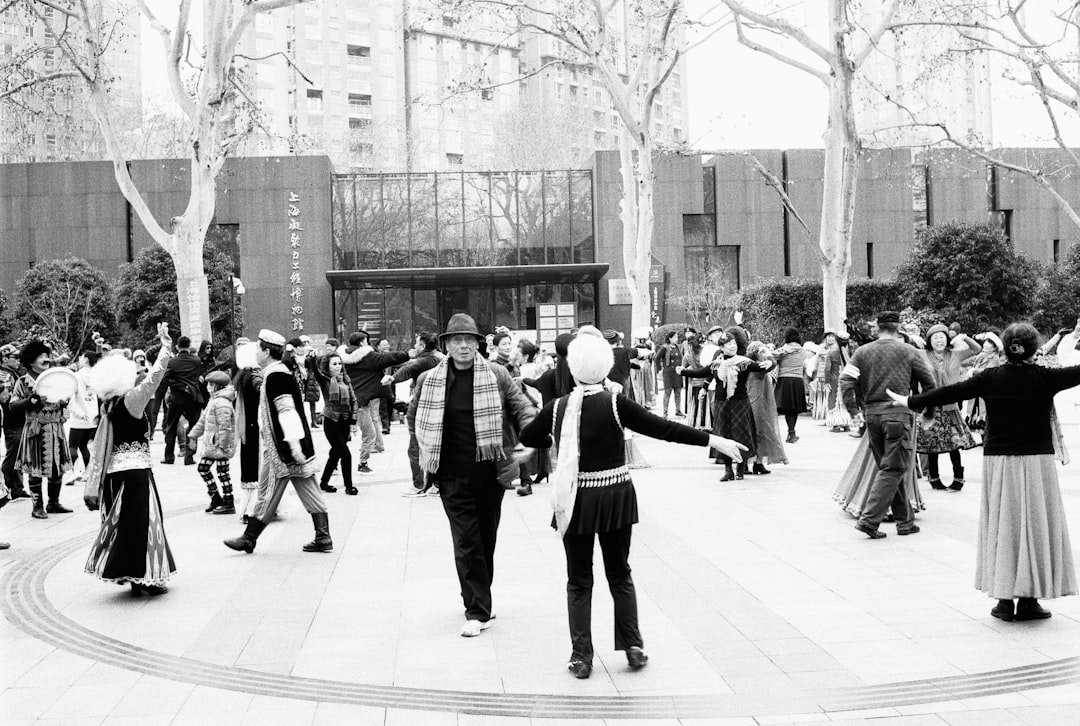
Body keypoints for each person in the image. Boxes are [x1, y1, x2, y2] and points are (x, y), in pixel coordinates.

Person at [518, 331, 747, 679]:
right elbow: (665, 429)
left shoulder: (558, 408)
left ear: (572, 368)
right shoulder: (615, 403)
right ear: (606, 367)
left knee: (579, 581)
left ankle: (581, 657)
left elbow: (527, 436)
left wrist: (552, 430)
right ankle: (632, 645)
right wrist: (713, 439)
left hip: (575, 500)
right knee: (619, 574)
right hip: (615, 497)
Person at [890, 322, 1078, 621]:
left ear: (1005, 347)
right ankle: (1029, 600)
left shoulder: (990, 377)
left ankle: (1004, 599)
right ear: (1033, 348)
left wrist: (911, 401)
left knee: (1003, 525)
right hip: (1037, 460)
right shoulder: (1045, 378)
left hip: (998, 461)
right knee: (1034, 526)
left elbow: (951, 392)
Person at [409, 313, 536, 637]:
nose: (463, 345)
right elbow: (414, 417)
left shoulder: (496, 374)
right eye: (456, 340)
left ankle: (482, 599)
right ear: (446, 345)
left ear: (478, 344)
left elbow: (522, 406)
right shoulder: (430, 380)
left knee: (485, 539)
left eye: (469, 340)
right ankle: (476, 609)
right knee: (466, 540)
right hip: (451, 475)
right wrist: (425, 450)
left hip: (490, 473)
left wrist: (530, 438)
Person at [83, 324, 177, 595]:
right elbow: (155, 378)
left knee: (122, 524)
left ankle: (129, 573)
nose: (139, 374)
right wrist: (165, 347)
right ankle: (143, 577)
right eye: (134, 372)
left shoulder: (108, 406)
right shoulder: (131, 401)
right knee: (142, 524)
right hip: (135, 473)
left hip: (114, 475)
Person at [224, 329, 333, 555]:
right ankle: (323, 537)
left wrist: (292, 445)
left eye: (258, 348)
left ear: (266, 351)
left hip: (282, 449)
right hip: (293, 446)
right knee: (309, 488)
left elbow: (286, 411)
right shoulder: (278, 373)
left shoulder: (275, 376)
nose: (255, 351)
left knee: (266, 493)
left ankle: (249, 538)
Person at [840, 311, 937, 539]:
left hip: (872, 416)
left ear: (877, 327)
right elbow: (930, 384)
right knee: (893, 469)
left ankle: (905, 522)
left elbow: (846, 380)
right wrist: (928, 412)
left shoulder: (862, 352)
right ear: (898, 327)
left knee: (890, 468)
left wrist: (853, 410)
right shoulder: (910, 352)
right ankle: (870, 521)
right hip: (898, 416)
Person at [680, 327, 773, 481]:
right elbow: (702, 373)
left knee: (741, 435)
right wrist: (682, 371)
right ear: (721, 347)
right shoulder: (717, 364)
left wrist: (769, 362)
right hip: (721, 404)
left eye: (733, 343)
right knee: (724, 436)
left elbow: (759, 368)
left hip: (740, 403)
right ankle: (728, 470)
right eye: (728, 344)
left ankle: (741, 469)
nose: (732, 346)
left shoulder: (744, 362)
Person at [10, 340, 74, 518]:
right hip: (35, 430)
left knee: (57, 468)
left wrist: (64, 401)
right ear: (30, 361)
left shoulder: (55, 379)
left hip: (55, 428)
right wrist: (30, 401)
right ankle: (37, 506)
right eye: (41, 356)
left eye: (47, 356)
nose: (46, 359)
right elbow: (13, 405)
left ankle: (54, 503)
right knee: (35, 469)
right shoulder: (23, 382)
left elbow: (66, 396)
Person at [916, 324, 980, 491]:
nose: (939, 340)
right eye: (935, 337)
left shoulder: (955, 354)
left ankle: (958, 477)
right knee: (931, 444)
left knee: (954, 444)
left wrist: (964, 337)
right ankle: (934, 477)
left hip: (950, 405)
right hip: (930, 405)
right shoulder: (922, 354)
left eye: (942, 337)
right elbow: (905, 351)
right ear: (929, 340)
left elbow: (977, 348)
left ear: (947, 339)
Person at [338, 331, 409, 476]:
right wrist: (407, 354)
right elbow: (389, 358)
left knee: (341, 436)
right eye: (367, 341)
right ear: (362, 343)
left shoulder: (341, 357)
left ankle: (333, 465)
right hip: (359, 403)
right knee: (369, 434)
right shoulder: (367, 356)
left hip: (344, 400)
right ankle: (362, 464)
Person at [388, 331, 444, 497]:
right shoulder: (440, 357)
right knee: (436, 447)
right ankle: (436, 484)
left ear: (424, 346)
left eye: (417, 343)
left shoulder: (427, 360)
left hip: (424, 410)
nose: (414, 346)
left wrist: (392, 378)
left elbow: (409, 368)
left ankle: (418, 485)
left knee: (415, 449)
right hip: (439, 408)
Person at [188, 370, 237, 514]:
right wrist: (193, 436)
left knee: (222, 473)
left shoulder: (222, 402)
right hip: (214, 443)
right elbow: (203, 421)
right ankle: (216, 497)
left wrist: (224, 445)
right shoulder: (213, 400)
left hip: (220, 445)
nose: (208, 386)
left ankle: (228, 501)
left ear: (217, 386)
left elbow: (225, 427)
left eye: (211, 384)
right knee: (208, 469)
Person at [315, 353, 359, 495]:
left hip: (344, 421)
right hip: (331, 421)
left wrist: (353, 420)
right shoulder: (324, 380)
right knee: (345, 454)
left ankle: (323, 483)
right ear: (327, 366)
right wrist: (310, 358)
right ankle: (349, 486)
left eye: (340, 363)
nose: (338, 366)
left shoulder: (345, 379)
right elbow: (315, 371)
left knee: (335, 454)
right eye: (334, 364)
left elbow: (353, 400)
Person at [160, 336, 205, 466]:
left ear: (177, 347)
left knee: (171, 427)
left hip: (176, 398)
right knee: (193, 426)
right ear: (189, 346)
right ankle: (189, 457)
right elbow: (197, 379)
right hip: (193, 398)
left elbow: (165, 379)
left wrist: (179, 385)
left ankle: (169, 456)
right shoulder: (196, 360)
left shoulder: (172, 362)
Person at [745, 341, 787, 474]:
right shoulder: (758, 367)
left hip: (760, 403)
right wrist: (769, 356)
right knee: (757, 431)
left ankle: (756, 462)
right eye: (761, 352)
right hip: (757, 404)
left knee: (759, 432)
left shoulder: (753, 366)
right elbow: (771, 363)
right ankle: (750, 462)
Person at [232, 341, 262, 523]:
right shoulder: (254, 378)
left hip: (247, 429)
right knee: (257, 468)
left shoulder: (243, 376)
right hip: (255, 428)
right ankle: (253, 509)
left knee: (249, 468)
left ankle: (249, 508)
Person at [0, 344, 28, 501]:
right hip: (12, 421)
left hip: (19, 419)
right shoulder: (4, 376)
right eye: (14, 357)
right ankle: (8, 486)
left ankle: (17, 488)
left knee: (19, 454)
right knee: (14, 454)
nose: (18, 360)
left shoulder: (15, 373)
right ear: (4, 358)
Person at [67, 350, 101, 482]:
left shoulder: (77, 376)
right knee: (84, 446)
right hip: (92, 416)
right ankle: (88, 473)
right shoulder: (95, 376)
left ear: (86, 359)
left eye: (81, 357)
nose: (79, 359)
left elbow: (70, 397)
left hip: (80, 415)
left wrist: (77, 412)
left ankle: (73, 472)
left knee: (72, 445)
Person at [773, 327, 810, 443]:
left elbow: (772, 358)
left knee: (781, 408)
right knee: (793, 409)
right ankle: (792, 432)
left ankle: (775, 434)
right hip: (798, 380)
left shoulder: (782, 350)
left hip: (784, 380)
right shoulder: (803, 351)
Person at [657, 330, 684, 419]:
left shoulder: (678, 347)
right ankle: (665, 412)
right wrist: (660, 368)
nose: (677, 339)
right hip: (668, 373)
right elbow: (656, 358)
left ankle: (678, 410)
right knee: (667, 392)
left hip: (677, 372)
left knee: (678, 392)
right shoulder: (665, 347)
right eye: (675, 337)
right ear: (670, 338)